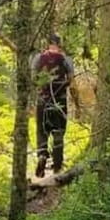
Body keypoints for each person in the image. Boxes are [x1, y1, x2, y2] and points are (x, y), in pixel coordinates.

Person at [31, 33, 74, 178]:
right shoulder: (65, 59)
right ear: (59, 44)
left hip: (43, 101)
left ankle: (42, 155)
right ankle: (57, 165)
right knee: (59, 132)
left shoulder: (39, 58)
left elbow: (33, 78)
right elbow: (70, 78)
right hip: (60, 101)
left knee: (42, 131)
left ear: (48, 44)